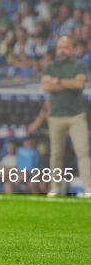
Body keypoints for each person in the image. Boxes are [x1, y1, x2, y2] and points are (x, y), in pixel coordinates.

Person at [42, 36, 91, 197]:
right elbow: (46, 86)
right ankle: (55, 188)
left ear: (72, 49)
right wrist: (68, 83)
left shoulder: (79, 65)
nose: (62, 50)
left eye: (66, 47)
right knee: (56, 153)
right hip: (56, 116)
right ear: (56, 49)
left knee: (82, 152)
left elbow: (79, 84)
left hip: (76, 115)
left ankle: (88, 188)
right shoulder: (50, 65)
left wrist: (57, 81)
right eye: (60, 47)